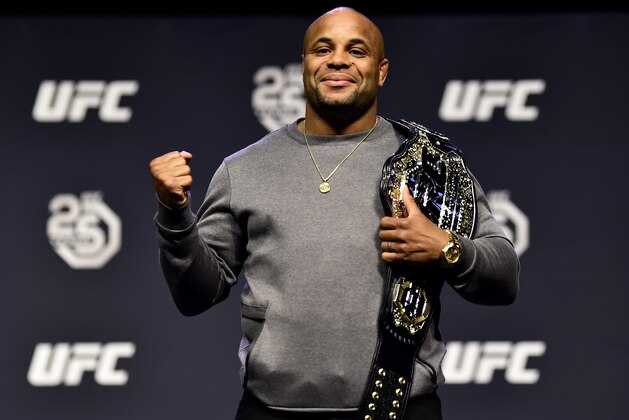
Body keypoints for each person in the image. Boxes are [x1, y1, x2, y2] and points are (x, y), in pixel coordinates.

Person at [149, 7, 519, 420]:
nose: (338, 59)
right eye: (322, 49)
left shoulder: (428, 163)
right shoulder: (244, 169)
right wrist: (175, 210)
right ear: (303, 65)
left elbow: (504, 279)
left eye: (356, 50)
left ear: (380, 72)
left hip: (398, 409)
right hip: (272, 411)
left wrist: (448, 247)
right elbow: (195, 294)